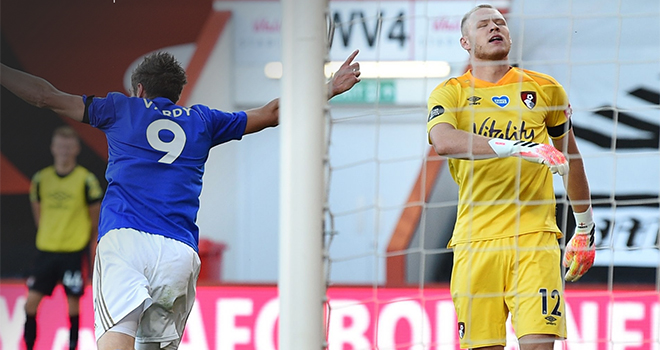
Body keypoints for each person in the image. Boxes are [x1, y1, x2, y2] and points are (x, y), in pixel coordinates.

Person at [1, 49, 361, 350]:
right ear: (176, 94)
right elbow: (271, 113)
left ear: (139, 89)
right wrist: (328, 88)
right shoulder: (202, 120)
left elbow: (43, 96)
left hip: (126, 242)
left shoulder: (119, 109)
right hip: (178, 254)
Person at [426, 4, 595, 350]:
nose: (494, 27)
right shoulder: (451, 92)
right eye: (484, 24)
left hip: (535, 238)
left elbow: (571, 158)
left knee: (539, 345)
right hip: (474, 243)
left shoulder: (545, 90)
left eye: (500, 23)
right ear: (464, 42)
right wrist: (519, 147)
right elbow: (444, 142)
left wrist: (585, 228)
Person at [24, 126, 103, 350]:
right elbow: (38, 212)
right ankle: (29, 345)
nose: (64, 151)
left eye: (69, 146)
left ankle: (72, 345)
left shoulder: (86, 180)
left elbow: (94, 218)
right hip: (46, 250)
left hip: (73, 250)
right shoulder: (41, 179)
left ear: (77, 149)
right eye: (60, 146)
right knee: (30, 304)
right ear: (53, 148)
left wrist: (88, 243)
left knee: (73, 305)